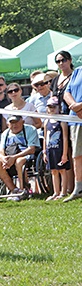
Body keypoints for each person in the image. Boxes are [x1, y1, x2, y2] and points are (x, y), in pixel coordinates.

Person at [0, 113, 39, 200]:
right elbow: (0, 151)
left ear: (22, 122)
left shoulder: (30, 129)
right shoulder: (5, 133)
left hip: (25, 155)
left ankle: (23, 189)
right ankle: (14, 190)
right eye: (12, 123)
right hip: (9, 155)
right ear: (8, 124)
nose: (14, 125)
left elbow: (31, 149)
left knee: (19, 161)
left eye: (17, 122)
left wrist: (14, 158)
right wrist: (3, 158)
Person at [60, 55, 82, 201]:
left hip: (78, 113)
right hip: (76, 120)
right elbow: (67, 93)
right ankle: (78, 188)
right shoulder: (77, 72)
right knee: (77, 155)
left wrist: (80, 106)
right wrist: (74, 106)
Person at [43, 95, 71, 200]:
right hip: (50, 149)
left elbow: (64, 138)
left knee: (62, 170)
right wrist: (44, 151)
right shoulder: (46, 122)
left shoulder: (62, 122)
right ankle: (56, 191)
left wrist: (64, 154)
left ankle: (63, 192)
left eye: (54, 106)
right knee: (53, 171)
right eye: (50, 107)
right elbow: (45, 138)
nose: (52, 109)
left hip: (59, 149)